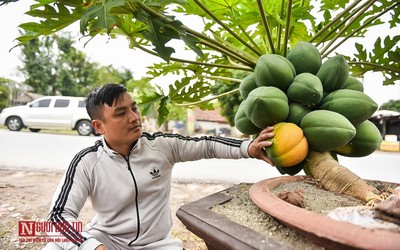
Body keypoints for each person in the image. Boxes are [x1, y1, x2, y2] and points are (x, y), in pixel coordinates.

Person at [43, 83, 274, 250]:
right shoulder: (86, 162)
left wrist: (248, 148)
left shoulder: (161, 146)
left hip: (156, 244)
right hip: (107, 240)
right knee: (53, 247)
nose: (134, 117)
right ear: (99, 126)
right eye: (121, 113)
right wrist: (91, 246)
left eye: (134, 108)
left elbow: (207, 145)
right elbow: (57, 217)